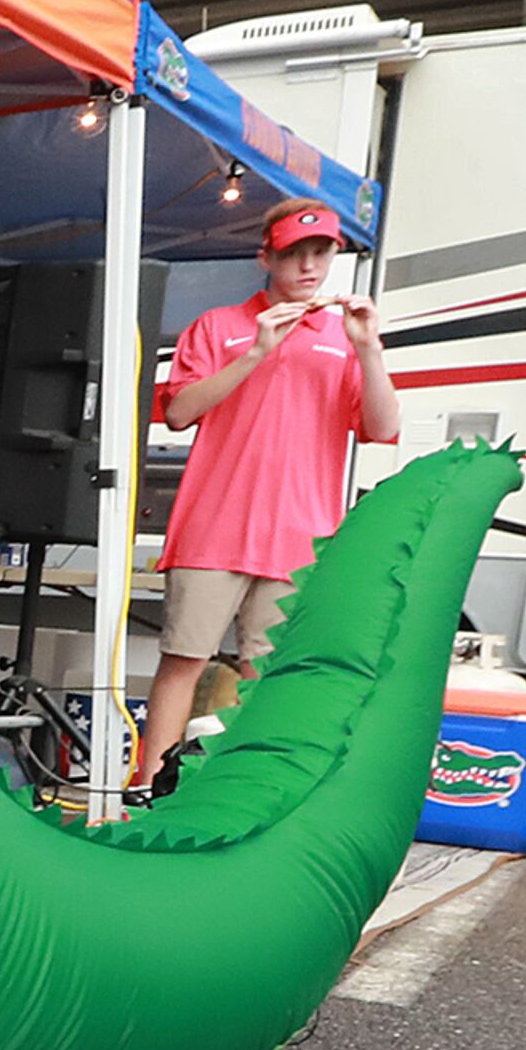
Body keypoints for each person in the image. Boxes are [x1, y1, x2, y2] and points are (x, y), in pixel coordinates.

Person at [131, 199, 401, 785]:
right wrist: (255, 351)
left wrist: (368, 348)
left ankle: (249, 788)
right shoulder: (219, 326)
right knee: (184, 661)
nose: (309, 265)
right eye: (293, 253)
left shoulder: (343, 334)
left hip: (302, 537)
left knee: (267, 673)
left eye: (321, 251)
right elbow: (178, 412)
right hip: (213, 528)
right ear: (265, 257)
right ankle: (151, 787)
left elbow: (381, 428)